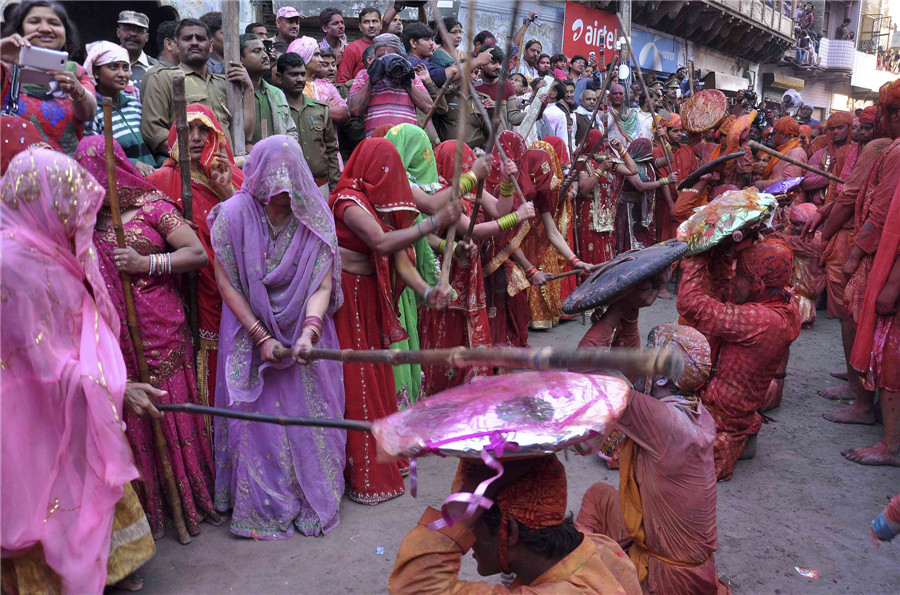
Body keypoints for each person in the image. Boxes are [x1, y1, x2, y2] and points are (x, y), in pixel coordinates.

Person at [0, 147, 161, 594]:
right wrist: (113, 387)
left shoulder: (41, 247)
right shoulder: (14, 263)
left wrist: (107, 382)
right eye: (66, 205)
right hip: (29, 407)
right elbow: (37, 361)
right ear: (42, 200)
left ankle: (108, 569)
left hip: (74, 393)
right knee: (48, 496)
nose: (75, 218)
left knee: (83, 482)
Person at [74, 136, 217, 538]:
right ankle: (153, 511)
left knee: (171, 411)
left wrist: (144, 262)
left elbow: (196, 254)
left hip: (161, 328)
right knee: (134, 420)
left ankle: (191, 501)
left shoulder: (152, 207)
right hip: (114, 337)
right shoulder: (82, 222)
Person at [209, 135, 346, 539]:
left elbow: (322, 286)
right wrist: (259, 335)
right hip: (249, 334)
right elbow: (227, 282)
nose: (282, 199)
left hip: (306, 335)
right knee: (258, 425)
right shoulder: (233, 215)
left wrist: (309, 332)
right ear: (256, 181)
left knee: (310, 418)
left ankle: (311, 500)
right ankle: (265, 505)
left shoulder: (314, 217)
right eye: (274, 193)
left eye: (289, 192)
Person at [329, 138, 456, 503]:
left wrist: (426, 290)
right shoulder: (348, 200)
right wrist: (434, 221)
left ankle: (386, 458)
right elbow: (382, 243)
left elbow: (400, 257)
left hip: (371, 297)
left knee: (378, 373)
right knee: (359, 379)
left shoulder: (380, 202)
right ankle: (363, 474)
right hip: (348, 298)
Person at [577, 324, 726, 594]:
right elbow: (629, 377)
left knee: (572, 578)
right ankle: (578, 562)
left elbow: (585, 368)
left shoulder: (663, 422)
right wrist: (628, 314)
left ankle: (571, 570)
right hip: (689, 569)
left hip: (668, 581)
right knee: (600, 496)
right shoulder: (697, 412)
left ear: (661, 378)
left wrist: (615, 314)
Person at [389, 456, 642, 593]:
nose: (463, 538)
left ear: (509, 532)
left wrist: (481, 483)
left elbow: (415, 586)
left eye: (468, 523)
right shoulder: (599, 548)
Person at [677, 240, 801, 480]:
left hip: (720, 417)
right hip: (735, 411)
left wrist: (696, 257)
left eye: (741, 273)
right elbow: (725, 291)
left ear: (758, 284)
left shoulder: (760, 319)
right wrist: (722, 250)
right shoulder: (784, 302)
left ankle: (721, 440)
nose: (734, 277)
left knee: (638, 429)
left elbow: (689, 304)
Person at [147, 104, 244, 412]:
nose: (197, 138)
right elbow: (146, 236)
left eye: (205, 130)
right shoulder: (160, 182)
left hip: (236, 287)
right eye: (189, 130)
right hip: (187, 291)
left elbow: (260, 228)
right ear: (176, 136)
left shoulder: (233, 176)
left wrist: (227, 191)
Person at [419, 140, 532, 395]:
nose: (470, 168)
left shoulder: (470, 189)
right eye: (465, 164)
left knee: (469, 329)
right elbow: (477, 230)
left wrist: (505, 180)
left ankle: (469, 390)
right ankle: (444, 393)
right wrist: (517, 217)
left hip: (470, 271)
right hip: (445, 273)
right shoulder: (442, 195)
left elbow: (498, 208)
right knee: (446, 331)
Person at [835, 81, 900, 465]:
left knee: (887, 351)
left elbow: (880, 213)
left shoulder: (892, 151)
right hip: (883, 258)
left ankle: (890, 443)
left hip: (888, 264)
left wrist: (856, 255)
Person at [141, 18, 255, 159]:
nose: (194, 42)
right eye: (187, 39)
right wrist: (194, 157)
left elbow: (244, 135)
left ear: (211, 45)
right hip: (190, 171)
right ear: (177, 45)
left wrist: (249, 89)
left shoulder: (223, 84)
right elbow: (153, 132)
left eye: (200, 39)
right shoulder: (162, 78)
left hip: (227, 170)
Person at [0, 0, 97, 155]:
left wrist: (78, 93)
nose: (45, 28)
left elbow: (89, 112)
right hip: (13, 173)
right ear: (20, 31)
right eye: (34, 21)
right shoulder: (4, 69)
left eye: (54, 23)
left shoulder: (77, 73)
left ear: (65, 34)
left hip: (67, 172)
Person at [523, 136, 584, 329]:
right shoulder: (515, 190)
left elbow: (552, 231)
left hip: (539, 241)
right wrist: (530, 270)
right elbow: (507, 242)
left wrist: (576, 261)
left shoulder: (543, 188)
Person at [82, 41, 156, 173]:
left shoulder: (134, 104)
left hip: (151, 177)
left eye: (126, 68)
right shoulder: (91, 112)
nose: (122, 74)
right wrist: (132, 164)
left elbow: (149, 143)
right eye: (114, 67)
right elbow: (93, 155)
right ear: (96, 72)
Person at [276, 53, 341, 193]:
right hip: (286, 190)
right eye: (293, 74)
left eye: (302, 74)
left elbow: (331, 150)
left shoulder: (320, 109)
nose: (299, 79)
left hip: (320, 186)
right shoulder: (275, 109)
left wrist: (335, 188)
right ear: (280, 77)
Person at [348, 34, 432, 138]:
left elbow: (428, 107)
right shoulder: (364, 75)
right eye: (380, 57)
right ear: (374, 57)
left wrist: (407, 82)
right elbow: (354, 110)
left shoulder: (410, 75)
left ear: (400, 57)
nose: (385, 60)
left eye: (391, 57)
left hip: (407, 141)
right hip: (378, 141)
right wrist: (371, 80)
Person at [575, 129, 637, 265]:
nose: (603, 147)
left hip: (606, 215)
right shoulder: (582, 161)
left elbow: (633, 170)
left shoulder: (606, 161)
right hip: (589, 215)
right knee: (592, 251)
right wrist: (600, 169)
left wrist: (621, 149)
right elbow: (584, 188)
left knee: (607, 250)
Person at [239, 34, 297, 146]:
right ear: (240, 59)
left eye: (264, 50)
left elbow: (291, 131)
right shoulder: (231, 94)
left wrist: (281, 149)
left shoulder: (277, 93)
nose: (265, 56)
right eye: (256, 51)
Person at [285, 36, 350, 125]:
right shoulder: (291, 86)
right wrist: (326, 108)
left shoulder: (326, 85)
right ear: (303, 55)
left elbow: (345, 113)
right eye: (316, 55)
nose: (321, 59)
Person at [616, 138, 663, 254]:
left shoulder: (649, 164)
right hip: (628, 209)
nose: (650, 151)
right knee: (631, 245)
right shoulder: (626, 165)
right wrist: (664, 182)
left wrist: (664, 140)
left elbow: (670, 159)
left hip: (642, 209)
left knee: (644, 243)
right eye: (647, 149)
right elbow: (640, 186)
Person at [652, 113, 693, 242]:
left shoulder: (688, 150)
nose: (680, 134)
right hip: (666, 206)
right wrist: (671, 207)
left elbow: (693, 176)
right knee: (667, 243)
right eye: (675, 131)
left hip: (685, 204)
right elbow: (663, 180)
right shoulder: (658, 152)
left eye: (681, 131)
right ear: (665, 132)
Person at [801, 110, 851, 205]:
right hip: (818, 207)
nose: (835, 132)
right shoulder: (819, 154)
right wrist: (831, 175)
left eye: (840, 128)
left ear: (849, 128)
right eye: (832, 129)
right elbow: (805, 184)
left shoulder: (857, 152)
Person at [474, 45, 525, 131]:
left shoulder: (507, 85)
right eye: (493, 62)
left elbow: (514, 117)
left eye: (500, 63)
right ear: (481, 64)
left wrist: (537, 109)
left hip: (499, 141)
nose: (498, 67)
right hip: (476, 141)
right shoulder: (472, 85)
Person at [754, 116, 808, 192]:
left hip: (789, 202)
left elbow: (790, 182)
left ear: (783, 134)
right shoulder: (786, 150)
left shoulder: (796, 152)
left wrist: (763, 184)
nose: (772, 137)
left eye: (774, 133)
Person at [336, 6, 382, 84]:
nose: (371, 25)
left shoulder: (387, 47)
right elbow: (342, 81)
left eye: (374, 21)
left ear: (381, 25)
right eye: (366, 22)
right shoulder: (352, 48)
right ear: (360, 26)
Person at [116, 10, 158, 91]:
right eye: (127, 28)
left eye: (139, 30)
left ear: (147, 37)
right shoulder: (104, 63)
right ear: (118, 32)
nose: (133, 34)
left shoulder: (156, 69)